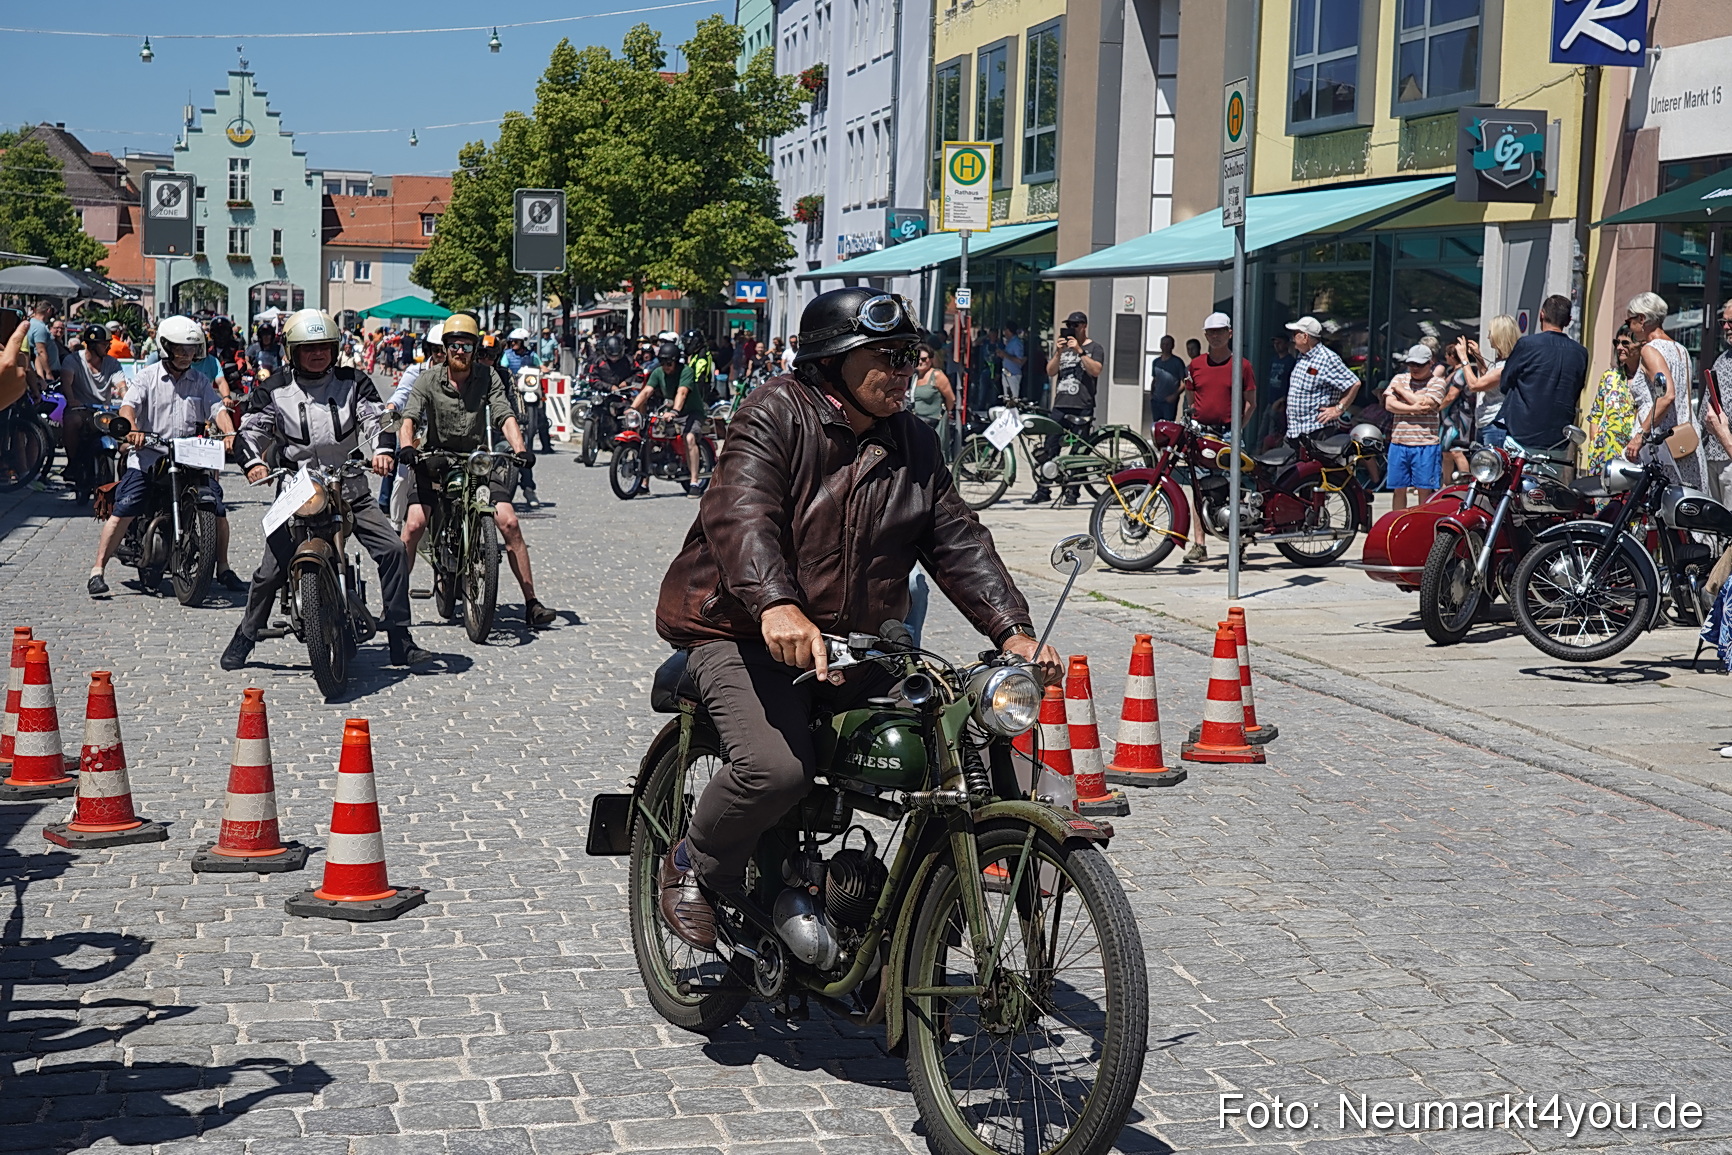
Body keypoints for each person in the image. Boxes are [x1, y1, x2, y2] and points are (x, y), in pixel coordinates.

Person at [651, 287, 1060, 948]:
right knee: (777, 769)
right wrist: (776, 604)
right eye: (888, 355)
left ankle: (914, 911)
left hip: (852, 645)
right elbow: (741, 514)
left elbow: (957, 540)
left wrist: (1012, 630)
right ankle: (692, 861)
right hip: (740, 628)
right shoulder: (775, 413)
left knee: (958, 734)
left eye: (911, 355)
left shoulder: (913, 443)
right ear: (833, 359)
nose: (905, 369)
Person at [222, 310, 431, 672]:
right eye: (308, 348)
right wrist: (253, 461)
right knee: (271, 570)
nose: (318, 354)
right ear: (292, 351)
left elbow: (377, 419)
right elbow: (249, 433)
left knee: (394, 549)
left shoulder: (353, 382)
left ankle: (400, 636)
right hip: (298, 490)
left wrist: (382, 451)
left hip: (349, 485)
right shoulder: (273, 390)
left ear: (335, 349)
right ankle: (247, 632)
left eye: (324, 347)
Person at [398, 313, 556, 628]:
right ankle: (396, 603)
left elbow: (503, 414)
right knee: (415, 524)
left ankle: (532, 602)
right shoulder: (429, 379)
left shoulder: (489, 377)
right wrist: (407, 447)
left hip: (476, 461)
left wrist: (520, 449)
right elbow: (409, 417)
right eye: (454, 345)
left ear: (475, 348)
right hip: (435, 460)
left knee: (509, 522)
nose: (460, 351)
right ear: (445, 348)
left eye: (467, 346)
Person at [88, 315, 245, 597]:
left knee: (217, 506)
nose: (187, 355)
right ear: (165, 348)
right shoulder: (147, 377)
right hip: (150, 454)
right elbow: (128, 406)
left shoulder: (199, 381)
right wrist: (134, 430)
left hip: (188, 456)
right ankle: (98, 569)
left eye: (191, 349)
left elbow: (217, 409)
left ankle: (223, 566)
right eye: (181, 349)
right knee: (128, 503)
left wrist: (230, 432)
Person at [1180, 312, 1257, 562]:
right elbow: (1191, 399)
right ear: (1205, 335)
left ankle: (1237, 544)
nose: (1215, 336)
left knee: (1234, 488)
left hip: (1228, 433)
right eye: (1211, 332)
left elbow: (1251, 403)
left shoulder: (1242, 366)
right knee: (1199, 488)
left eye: (1220, 331)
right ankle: (1199, 544)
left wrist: (1237, 429)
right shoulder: (1196, 365)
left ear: (1230, 333)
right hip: (1202, 431)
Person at [1496, 295, 1593, 463]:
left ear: (1542, 314)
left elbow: (1505, 383)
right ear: (1569, 320)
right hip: (1557, 438)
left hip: (1521, 433)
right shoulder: (1580, 353)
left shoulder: (1527, 344)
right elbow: (1577, 388)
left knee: (1513, 486)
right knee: (1548, 487)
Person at [1624, 291, 1704, 487]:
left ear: (1642, 319)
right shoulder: (1681, 349)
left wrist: (1640, 436)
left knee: (1658, 510)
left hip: (1663, 447)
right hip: (1686, 442)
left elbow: (1667, 395)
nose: (1629, 328)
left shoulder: (1650, 350)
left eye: (1629, 322)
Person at [1031, 310, 1105, 506]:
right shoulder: (1064, 350)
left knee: (1078, 452)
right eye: (1068, 325)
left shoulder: (1095, 348)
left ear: (1083, 326)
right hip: (1061, 404)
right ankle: (1043, 489)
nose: (1070, 329)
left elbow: (1096, 370)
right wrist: (1058, 352)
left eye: (1074, 325)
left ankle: (1072, 493)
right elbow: (1050, 371)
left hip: (1082, 405)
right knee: (1050, 446)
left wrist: (1080, 351)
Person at [60, 324, 129, 505]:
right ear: (91, 345)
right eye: (104, 344)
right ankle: (73, 463)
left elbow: (121, 384)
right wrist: (72, 399)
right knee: (72, 421)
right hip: (81, 409)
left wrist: (127, 398)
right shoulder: (73, 360)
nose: (108, 347)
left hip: (103, 411)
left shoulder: (112, 363)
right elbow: (66, 381)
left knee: (125, 440)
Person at [1383, 344, 1451, 511]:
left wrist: (1401, 392)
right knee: (1398, 490)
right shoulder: (1399, 378)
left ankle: (1422, 528)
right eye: (1411, 364)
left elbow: (1426, 403)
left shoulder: (1438, 382)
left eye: (1419, 364)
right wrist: (1413, 408)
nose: (1414, 368)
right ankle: (1397, 525)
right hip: (1399, 442)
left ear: (1430, 363)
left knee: (1424, 491)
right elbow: (1389, 404)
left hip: (1425, 443)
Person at [1283, 315, 1360, 443]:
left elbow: (1354, 383)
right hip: (1295, 431)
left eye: (1295, 333)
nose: (1292, 338)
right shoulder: (1302, 357)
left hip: (1317, 432)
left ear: (1305, 337)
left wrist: (1338, 409)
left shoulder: (1327, 358)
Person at [1455, 315, 1519, 448]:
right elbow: (1486, 379)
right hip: (1485, 423)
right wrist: (1477, 355)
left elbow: (1475, 385)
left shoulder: (1506, 366)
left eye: (1491, 333)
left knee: (1492, 467)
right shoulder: (1501, 362)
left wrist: (1463, 358)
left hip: (1495, 425)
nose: (1488, 337)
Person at [1584, 325, 1639, 473]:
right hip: (1603, 455)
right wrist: (1595, 443)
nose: (1619, 347)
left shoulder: (1646, 381)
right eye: (1617, 343)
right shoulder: (1609, 377)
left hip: (1632, 457)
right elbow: (1595, 415)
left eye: (1625, 343)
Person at [1700, 303, 1732, 504]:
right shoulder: (1723, 359)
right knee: (1714, 524)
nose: (1727, 327)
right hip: (1713, 452)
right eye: (1724, 322)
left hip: (1729, 457)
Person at [910, 344, 956, 439]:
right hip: (919, 423)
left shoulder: (937, 375)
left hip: (936, 423)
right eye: (917, 358)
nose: (920, 362)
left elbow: (951, 398)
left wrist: (943, 414)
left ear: (930, 359)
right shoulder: (915, 376)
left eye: (923, 359)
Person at [1000, 321, 1026, 401]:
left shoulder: (1016, 343)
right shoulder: (1009, 342)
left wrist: (1005, 355)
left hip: (1013, 375)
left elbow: (1020, 360)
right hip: (1007, 374)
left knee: (1013, 399)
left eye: (1005, 330)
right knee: (1007, 398)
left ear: (1009, 330)